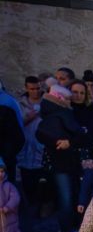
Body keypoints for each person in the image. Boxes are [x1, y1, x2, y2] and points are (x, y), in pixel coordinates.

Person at [36, 84, 89, 232]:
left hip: (58, 163)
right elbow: (80, 135)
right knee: (68, 201)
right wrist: (71, 141)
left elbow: (40, 134)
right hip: (66, 163)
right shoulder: (63, 113)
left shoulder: (48, 113)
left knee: (65, 200)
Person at [16, 76, 45, 206]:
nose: (35, 91)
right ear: (26, 88)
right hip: (25, 148)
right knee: (26, 182)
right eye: (32, 89)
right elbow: (15, 125)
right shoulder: (19, 103)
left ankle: (40, 208)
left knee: (42, 182)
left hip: (42, 149)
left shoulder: (47, 102)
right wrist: (29, 118)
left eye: (38, 88)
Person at [0, 157, 22, 232]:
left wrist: (7, 207)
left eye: (2, 171)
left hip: (9, 219)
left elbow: (15, 198)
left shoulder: (8, 186)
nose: (0, 174)